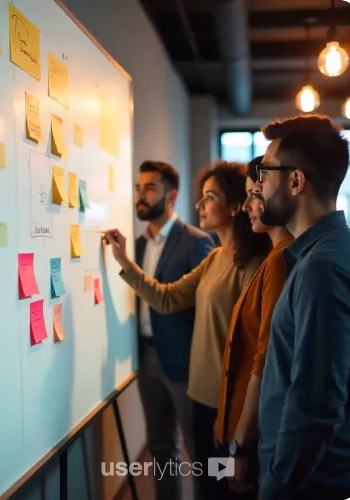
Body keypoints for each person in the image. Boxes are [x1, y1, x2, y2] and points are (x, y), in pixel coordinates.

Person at [103, 160, 271, 499]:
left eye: (209, 197)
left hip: (229, 405)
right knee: (207, 480)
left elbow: (258, 352)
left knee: (227, 486)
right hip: (202, 396)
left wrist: (240, 431)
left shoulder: (253, 265)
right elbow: (167, 299)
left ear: (236, 206)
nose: (199, 205)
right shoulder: (216, 257)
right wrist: (123, 261)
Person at [255, 114, 350, 500]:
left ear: (296, 181)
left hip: (312, 484)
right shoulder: (327, 253)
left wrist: (278, 484)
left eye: (264, 171)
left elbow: (317, 402)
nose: (259, 184)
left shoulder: (323, 267)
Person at [132, 160, 215, 500]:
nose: (141, 195)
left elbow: (206, 308)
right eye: (139, 188)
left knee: (198, 452)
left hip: (183, 362)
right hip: (146, 357)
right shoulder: (137, 245)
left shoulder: (197, 242)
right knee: (161, 448)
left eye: (150, 188)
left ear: (171, 195)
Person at [214, 157, 293, 500]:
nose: (246, 206)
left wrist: (239, 446)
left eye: (254, 194)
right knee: (218, 486)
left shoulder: (278, 260)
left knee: (232, 491)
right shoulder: (271, 256)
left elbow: (265, 356)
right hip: (234, 420)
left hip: (246, 430)